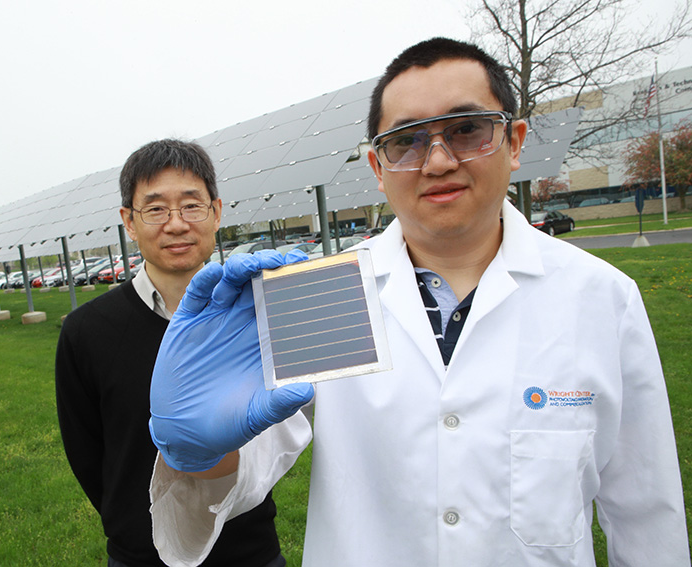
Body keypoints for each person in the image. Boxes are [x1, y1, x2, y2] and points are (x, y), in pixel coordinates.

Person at [146, 39, 690, 566]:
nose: (437, 160)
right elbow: (244, 479)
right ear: (378, 168)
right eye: (406, 140)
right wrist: (199, 451)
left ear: (515, 141)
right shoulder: (325, 294)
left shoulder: (601, 297)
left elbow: (646, 513)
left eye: (467, 129)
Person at [55, 138, 301, 567]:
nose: (176, 224)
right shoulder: (86, 331)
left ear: (217, 212)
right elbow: (89, 457)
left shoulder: (260, 316)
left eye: (191, 205)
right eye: (154, 209)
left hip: (249, 551)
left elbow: (281, 439)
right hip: (140, 557)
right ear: (128, 222)